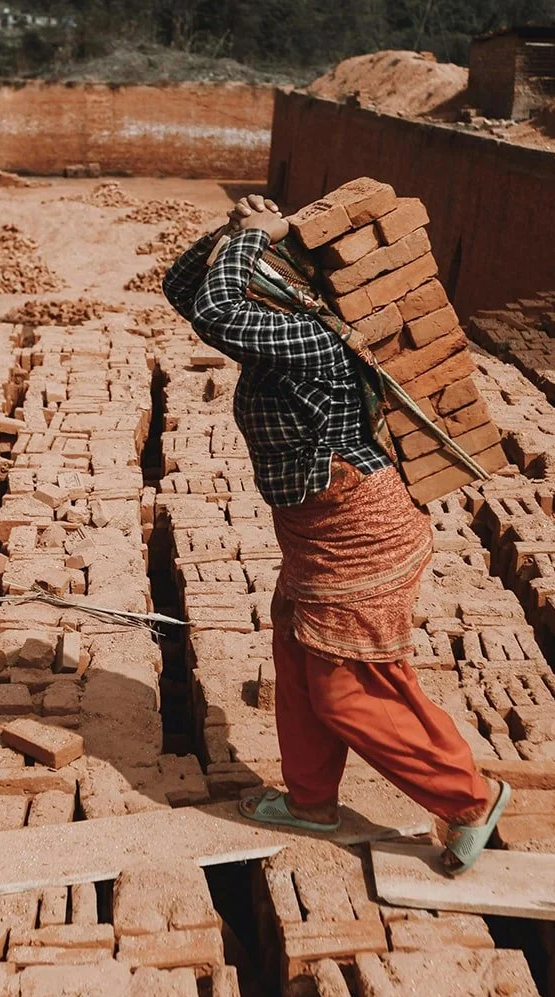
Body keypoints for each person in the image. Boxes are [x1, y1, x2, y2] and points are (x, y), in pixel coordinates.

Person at [161, 193, 510, 875]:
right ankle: (312, 800)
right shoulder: (281, 322)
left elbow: (214, 310)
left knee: (348, 688)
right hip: (316, 531)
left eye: (265, 272)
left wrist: (251, 240)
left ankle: (470, 797)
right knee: (298, 655)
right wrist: (232, 232)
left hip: (360, 531)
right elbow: (184, 288)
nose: (253, 286)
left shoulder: (316, 339)